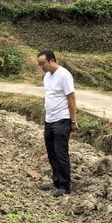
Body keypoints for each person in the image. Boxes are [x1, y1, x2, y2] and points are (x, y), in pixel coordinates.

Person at [37, 49, 78, 197]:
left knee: (61, 153)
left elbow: (71, 98)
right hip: (50, 119)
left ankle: (65, 185)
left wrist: (73, 121)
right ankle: (56, 181)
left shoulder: (64, 75)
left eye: (43, 63)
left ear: (52, 60)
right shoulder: (47, 77)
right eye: (39, 64)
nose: (42, 66)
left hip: (62, 119)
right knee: (51, 152)